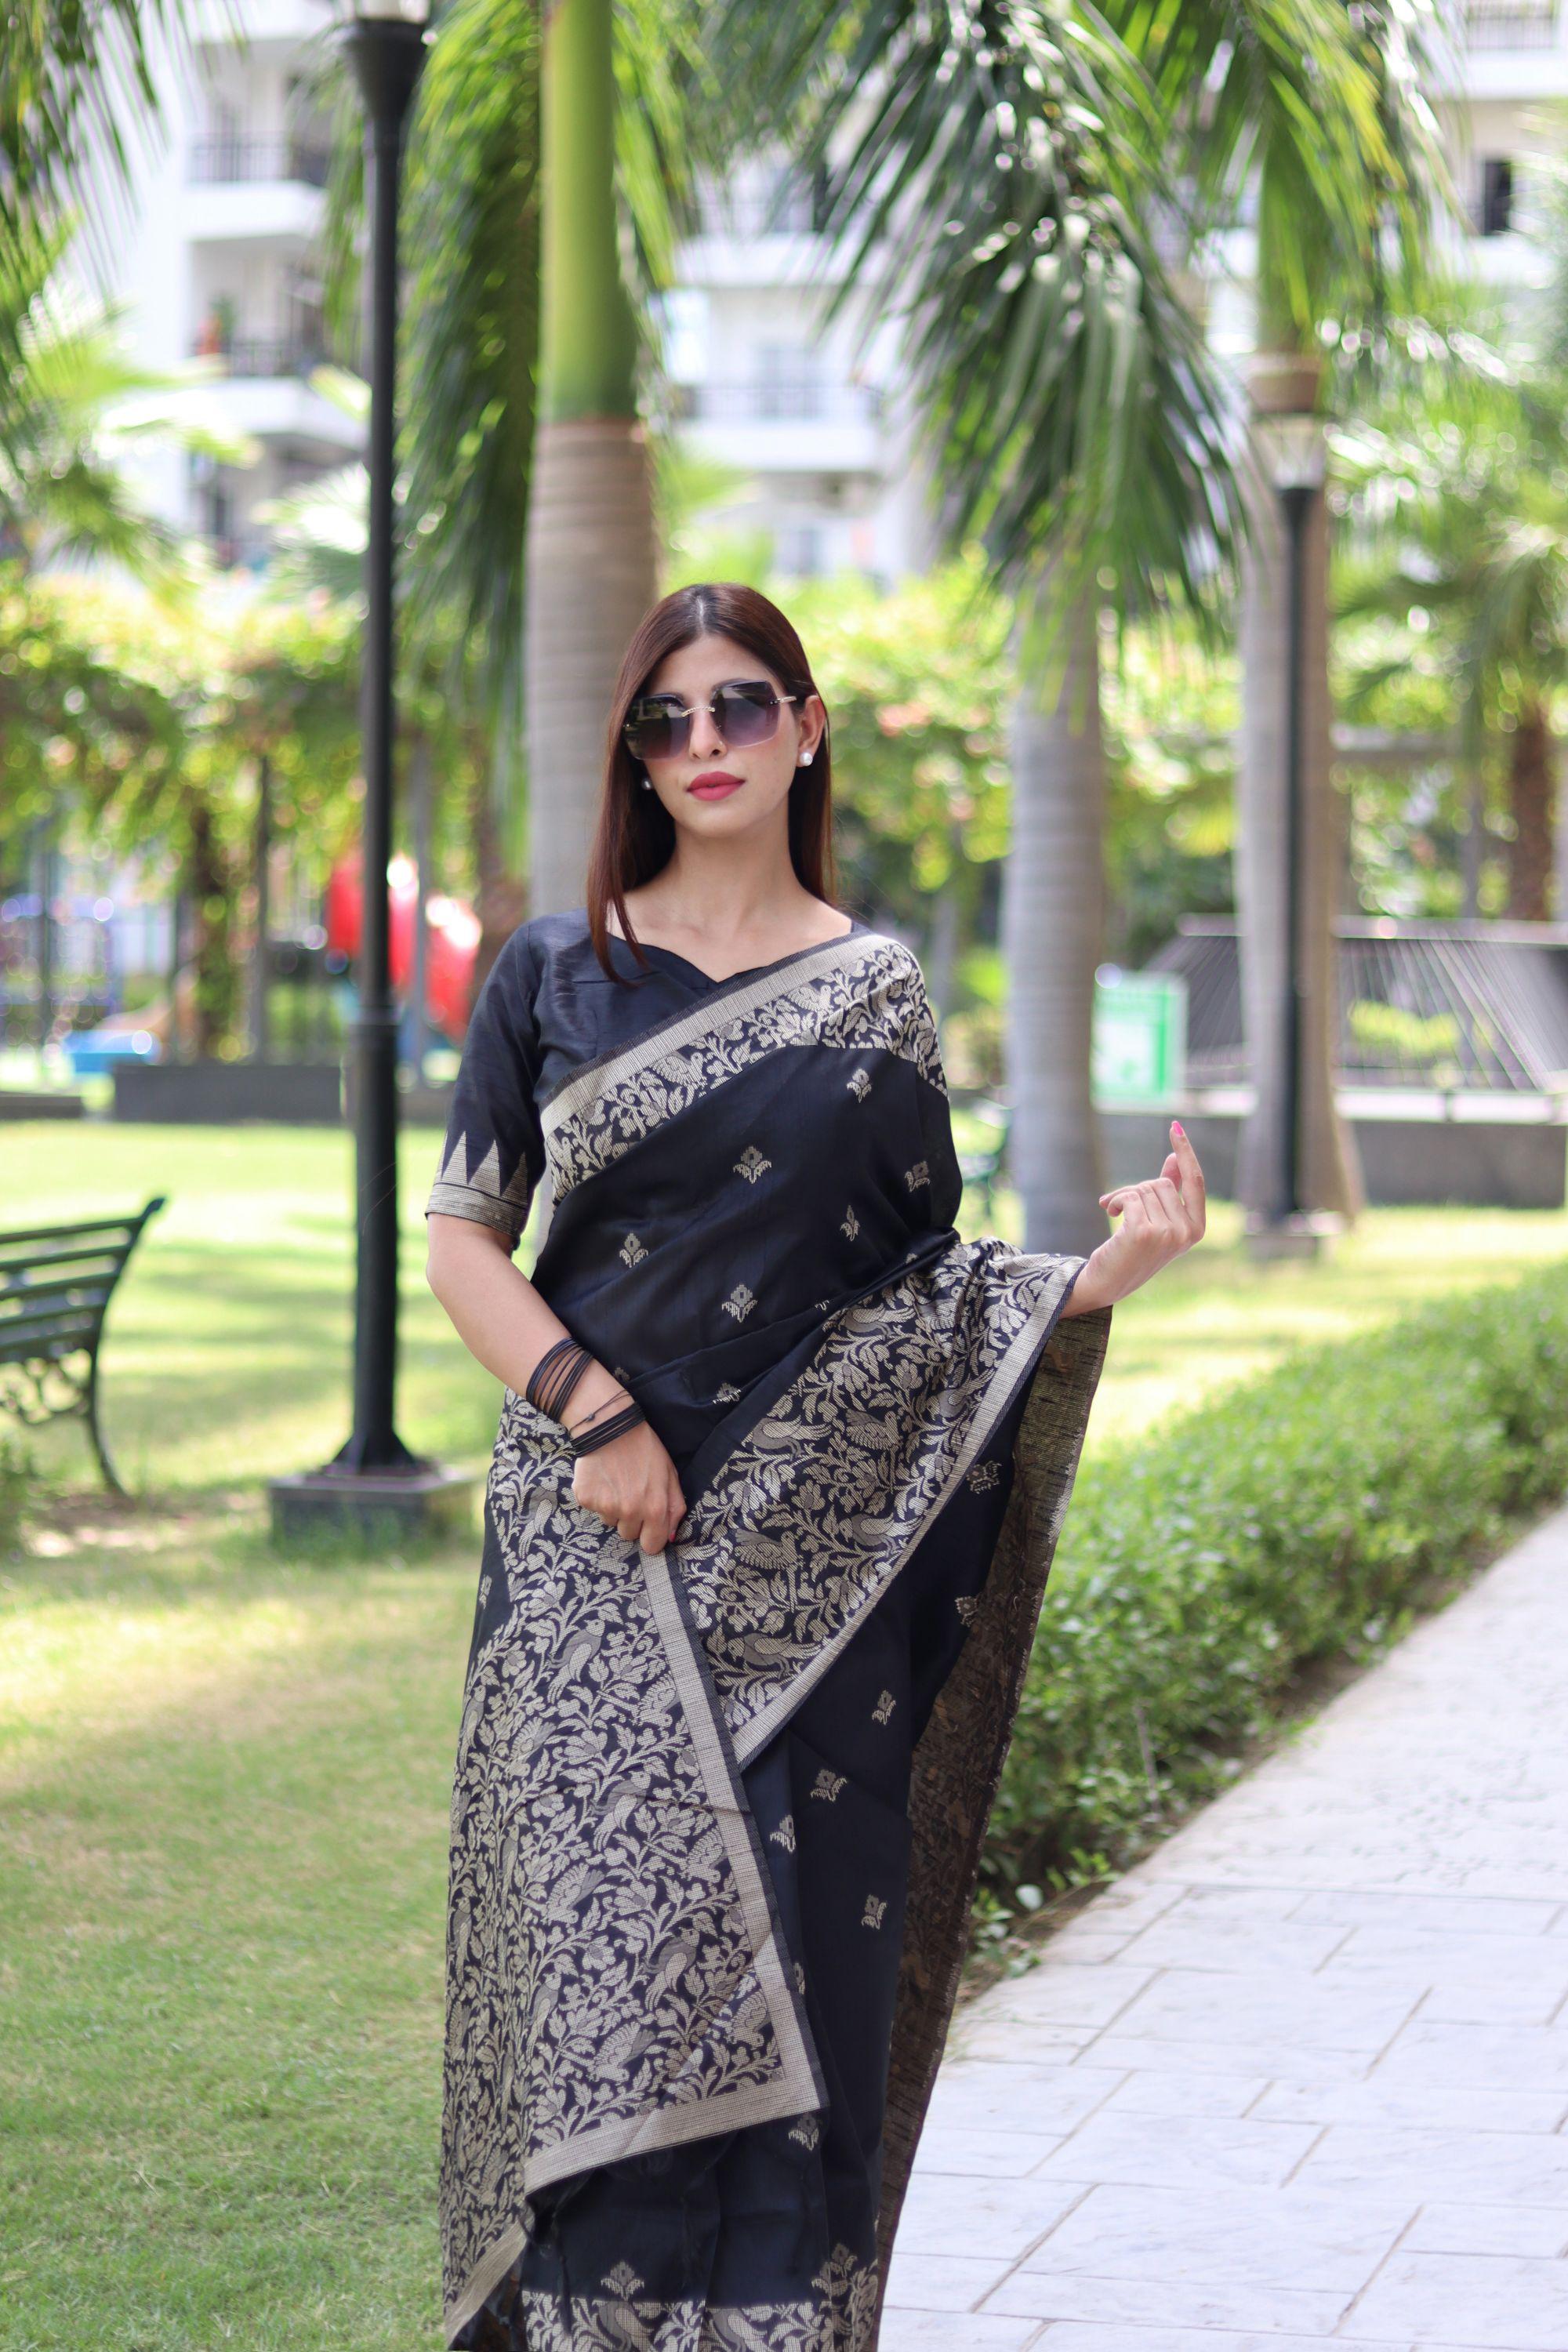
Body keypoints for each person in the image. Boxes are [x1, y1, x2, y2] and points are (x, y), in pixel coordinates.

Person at [424, 580, 1205, 2352]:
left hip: (808, 1564)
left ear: (806, 725)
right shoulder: (554, 970)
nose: (702, 745)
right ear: (634, 749)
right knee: (609, 1982)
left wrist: (1100, 1276)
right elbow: (466, 1242)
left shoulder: (874, 987)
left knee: (796, 1969)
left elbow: (920, 1297)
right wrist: (596, 1414)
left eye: (738, 707)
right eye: (665, 719)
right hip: (589, 1557)